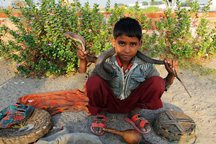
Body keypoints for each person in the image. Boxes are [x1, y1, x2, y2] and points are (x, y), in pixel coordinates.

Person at [77, 17, 178, 136]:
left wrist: (171, 74)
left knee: (157, 82)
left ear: (139, 44)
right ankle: (101, 114)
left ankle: (134, 114)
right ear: (113, 42)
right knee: (93, 81)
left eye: (133, 44)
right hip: (110, 103)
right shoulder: (106, 61)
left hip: (131, 104)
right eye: (122, 43)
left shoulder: (146, 65)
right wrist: (83, 61)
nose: (127, 50)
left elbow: (163, 86)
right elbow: (86, 81)